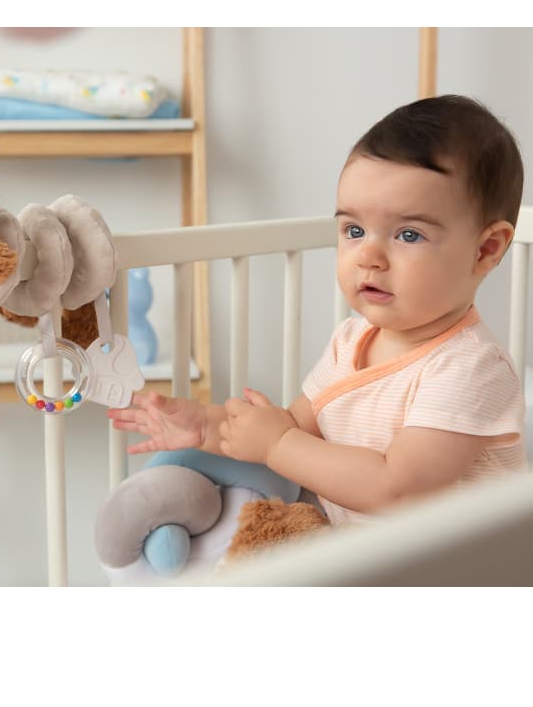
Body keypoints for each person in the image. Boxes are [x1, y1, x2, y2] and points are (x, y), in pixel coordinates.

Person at [108, 95, 528, 525]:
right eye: (354, 230)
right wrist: (206, 427)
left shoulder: (470, 368)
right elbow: (293, 426)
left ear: (485, 250)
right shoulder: (350, 340)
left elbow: (396, 489)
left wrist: (276, 445)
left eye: (408, 235)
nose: (368, 257)